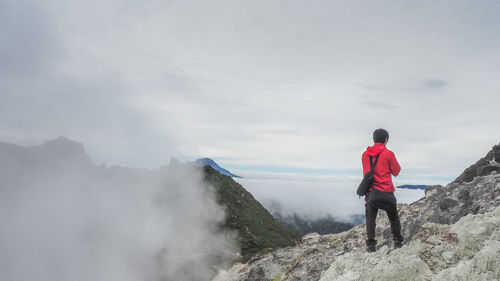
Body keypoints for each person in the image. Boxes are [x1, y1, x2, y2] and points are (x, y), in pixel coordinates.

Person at [362, 128, 403, 252]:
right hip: (386, 191)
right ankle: (397, 241)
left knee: (370, 218)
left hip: (370, 192)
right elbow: (396, 172)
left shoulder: (365, 155)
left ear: (373, 139)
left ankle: (371, 246)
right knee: (393, 217)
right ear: (386, 139)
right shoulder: (388, 154)